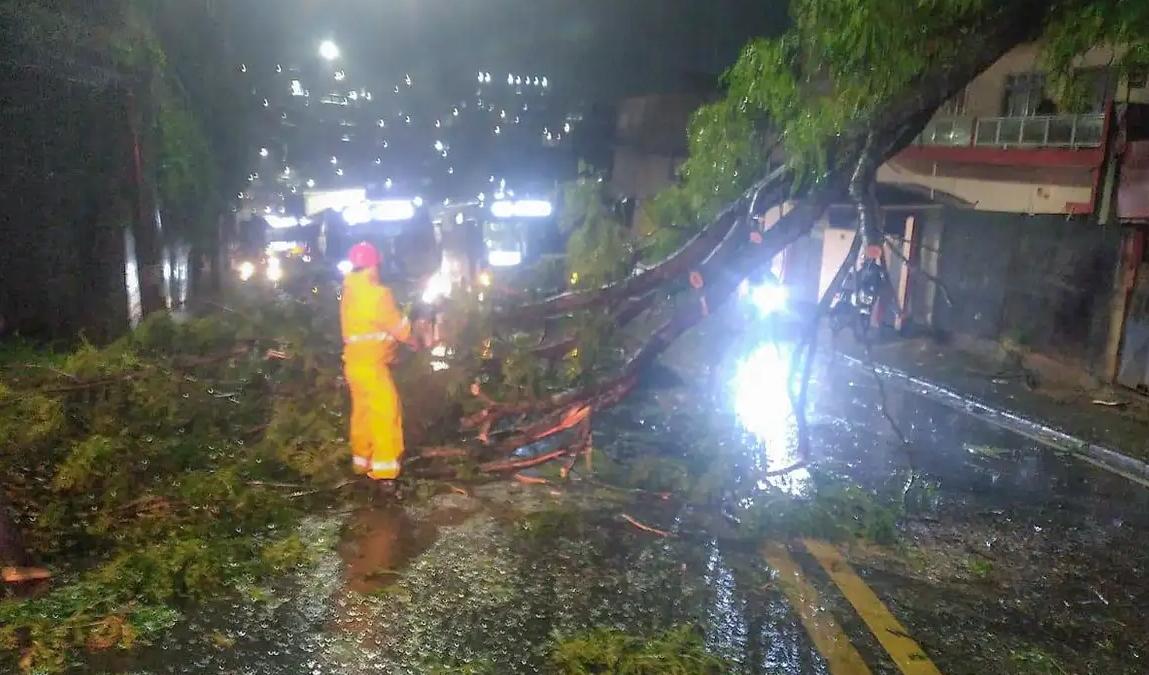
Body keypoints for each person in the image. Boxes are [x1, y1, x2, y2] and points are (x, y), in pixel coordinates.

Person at [340, 241, 413, 492]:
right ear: (374, 265)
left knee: (362, 414)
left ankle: (361, 462)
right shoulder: (378, 294)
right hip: (373, 367)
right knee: (386, 413)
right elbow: (398, 328)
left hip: (354, 365)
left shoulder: (349, 292)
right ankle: (385, 473)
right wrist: (414, 337)